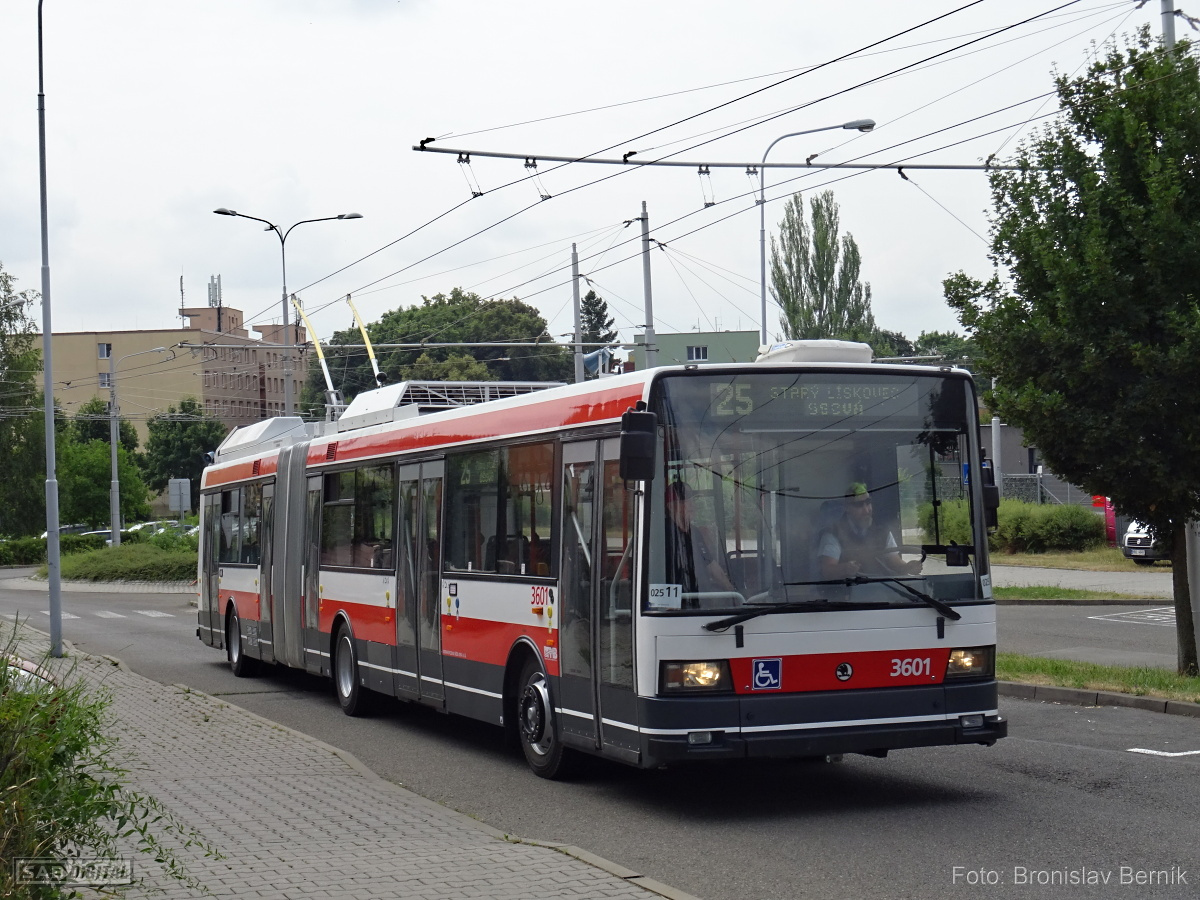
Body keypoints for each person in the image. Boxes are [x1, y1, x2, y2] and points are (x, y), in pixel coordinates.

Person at [817, 482, 921, 579]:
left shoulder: (882, 531)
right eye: (859, 505)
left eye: (868, 503)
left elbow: (894, 562)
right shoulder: (834, 533)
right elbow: (827, 570)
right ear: (847, 508)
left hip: (882, 588)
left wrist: (908, 567)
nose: (866, 510)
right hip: (848, 590)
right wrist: (845, 568)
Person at [665, 481, 738, 597]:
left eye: (692, 500)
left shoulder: (695, 532)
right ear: (671, 506)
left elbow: (711, 565)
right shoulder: (663, 534)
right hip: (677, 601)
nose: (692, 504)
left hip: (701, 599)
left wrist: (733, 592)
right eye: (685, 500)